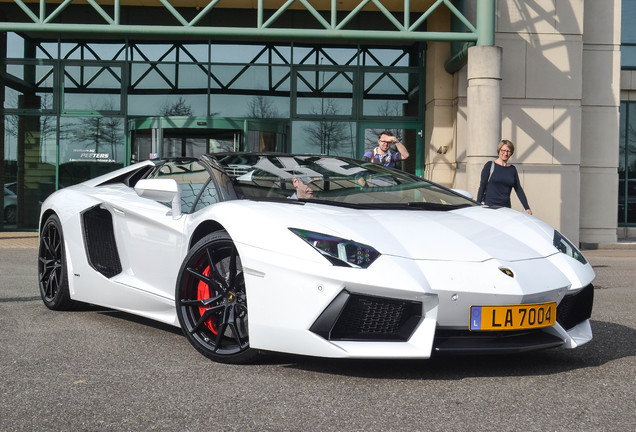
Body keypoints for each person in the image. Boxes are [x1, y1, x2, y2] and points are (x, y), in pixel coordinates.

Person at [476, 139, 533, 215]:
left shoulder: (512, 169)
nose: (505, 153)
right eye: (503, 150)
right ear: (499, 150)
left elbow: (518, 189)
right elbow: (482, 187)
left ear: (511, 153)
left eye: (508, 151)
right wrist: (477, 206)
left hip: (506, 208)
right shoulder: (489, 165)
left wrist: (527, 207)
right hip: (490, 207)